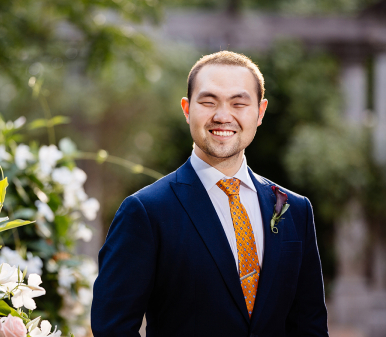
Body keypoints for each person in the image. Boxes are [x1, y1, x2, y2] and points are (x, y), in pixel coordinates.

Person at [91, 51, 329, 337]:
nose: (222, 116)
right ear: (187, 108)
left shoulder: (295, 209)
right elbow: (112, 328)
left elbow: (310, 325)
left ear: (260, 112)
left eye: (239, 103)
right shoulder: (145, 211)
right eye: (208, 102)